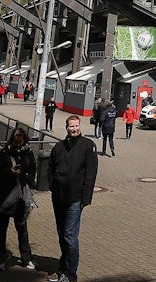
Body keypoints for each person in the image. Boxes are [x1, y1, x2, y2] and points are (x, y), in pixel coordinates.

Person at [47, 116, 98, 282]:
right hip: (59, 198)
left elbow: (90, 173)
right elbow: (50, 169)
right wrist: (53, 187)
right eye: (71, 126)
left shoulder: (88, 146)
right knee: (62, 235)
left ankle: (71, 275)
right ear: (66, 127)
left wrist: (86, 198)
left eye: (76, 126)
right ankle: (63, 268)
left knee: (70, 236)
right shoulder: (59, 147)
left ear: (80, 126)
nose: (74, 129)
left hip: (75, 199)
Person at [0, 127, 37, 271]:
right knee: (2, 228)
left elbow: (33, 170)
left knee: (22, 228)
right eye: (16, 137)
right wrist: (9, 171)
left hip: (21, 197)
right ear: (12, 138)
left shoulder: (28, 153)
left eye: (21, 137)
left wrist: (28, 181)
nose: (18, 140)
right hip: (4, 196)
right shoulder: (4, 153)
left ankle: (26, 258)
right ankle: (0, 258)